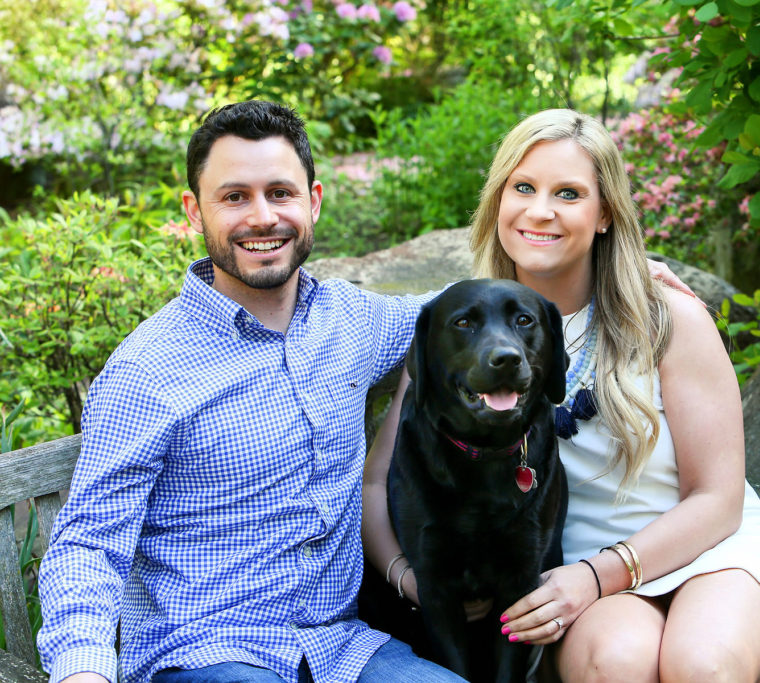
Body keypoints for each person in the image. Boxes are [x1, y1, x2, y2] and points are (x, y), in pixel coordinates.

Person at [363, 109, 760, 682]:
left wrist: (600, 576)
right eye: (522, 188)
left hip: (710, 553)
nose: (540, 210)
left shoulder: (662, 317)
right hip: (576, 580)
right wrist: (409, 577)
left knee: (702, 665)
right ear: (498, 202)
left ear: (604, 214)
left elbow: (717, 500)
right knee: (616, 666)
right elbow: (379, 480)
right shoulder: (461, 327)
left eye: (569, 193)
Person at [35, 100, 467, 683]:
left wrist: (617, 270)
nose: (262, 218)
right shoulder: (147, 370)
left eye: (280, 193)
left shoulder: (350, 320)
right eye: (234, 197)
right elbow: (87, 542)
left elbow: (454, 310)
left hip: (343, 649)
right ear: (194, 211)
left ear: (313, 201)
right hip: (205, 655)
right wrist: (83, 671)